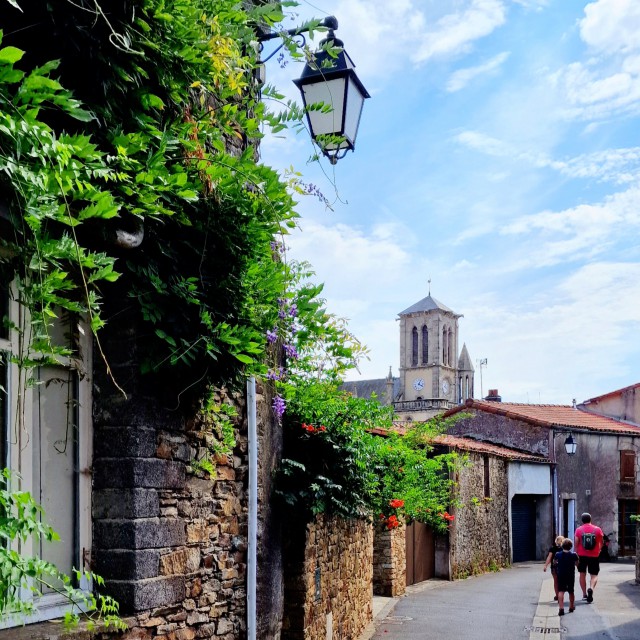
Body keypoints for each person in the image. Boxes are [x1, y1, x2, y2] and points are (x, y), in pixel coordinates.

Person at [574, 512, 604, 603]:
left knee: (582, 574)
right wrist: (599, 550)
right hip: (594, 555)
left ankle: (584, 594)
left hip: (581, 555)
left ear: (582, 520)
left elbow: (576, 543)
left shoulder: (579, 530)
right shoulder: (597, 529)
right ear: (590, 519)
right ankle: (591, 588)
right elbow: (601, 542)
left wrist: (576, 555)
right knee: (594, 575)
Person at [555, 538, 579, 616]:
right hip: (570, 575)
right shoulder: (574, 555)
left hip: (561, 575)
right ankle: (571, 606)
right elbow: (577, 564)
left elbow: (555, 562)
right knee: (571, 591)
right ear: (571, 546)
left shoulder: (557, 554)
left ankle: (561, 608)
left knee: (561, 591)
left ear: (562, 546)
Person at [543, 535, 564, 601]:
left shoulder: (552, 548)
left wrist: (545, 565)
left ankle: (557, 595)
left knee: (555, 581)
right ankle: (561, 595)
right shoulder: (564, 548)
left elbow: (549, 557)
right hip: (562, 567)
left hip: (554, 567)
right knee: (561, 581)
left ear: (556, 541)